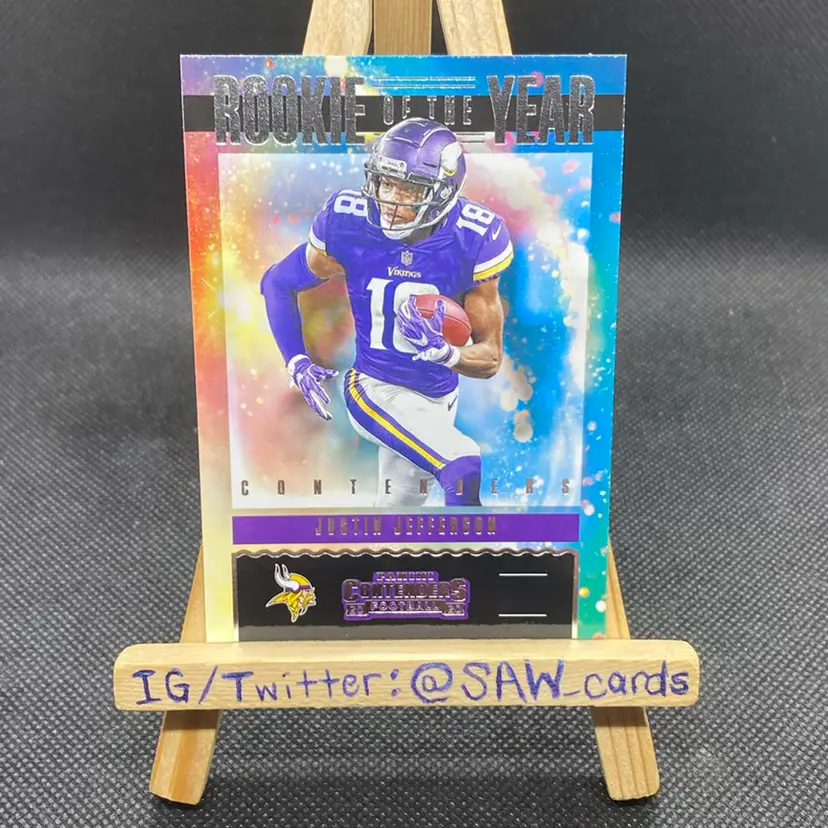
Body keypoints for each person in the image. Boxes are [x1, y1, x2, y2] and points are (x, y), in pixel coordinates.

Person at [261, 118, 513, 507]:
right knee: (462, 464)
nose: (393, 200)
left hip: (439, 396)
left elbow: (490, 358)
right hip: (373, 386)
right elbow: (277, 282)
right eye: (386, 183)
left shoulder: (474, 238)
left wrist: (447, 354)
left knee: (399, 512)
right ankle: (483, 548)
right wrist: (296, 360)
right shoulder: (349, 221)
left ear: (444, 192)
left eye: (410, 189)